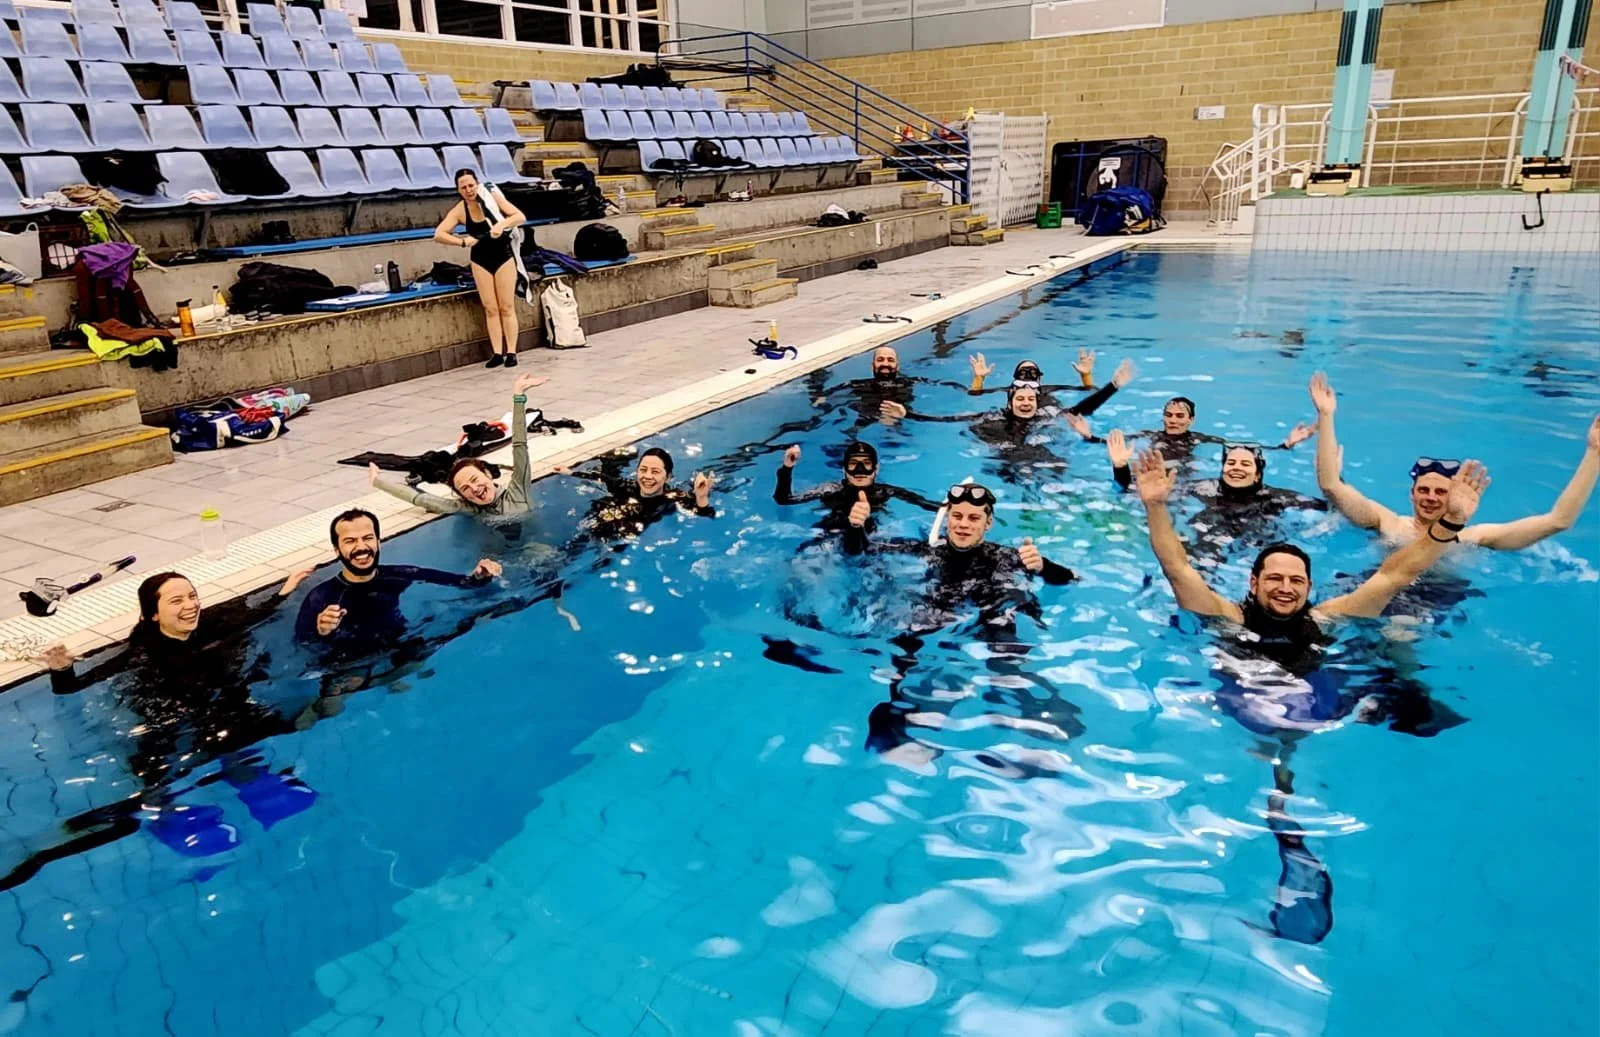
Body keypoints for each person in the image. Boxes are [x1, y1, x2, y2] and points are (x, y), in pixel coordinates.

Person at [1135, 447, 1489, 946]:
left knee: (1402, 699)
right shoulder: (1227, 616)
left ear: (1309, 586)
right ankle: (1281, 801)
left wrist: (1448, 526)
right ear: (1253, 583)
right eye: (1274, 579)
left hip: (1309, 704)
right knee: (1284, 742)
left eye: (1295, 580)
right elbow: (1176, 566)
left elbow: (1395, 573)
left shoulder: (1324, 619)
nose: (1285, 588)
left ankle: (1285, 807)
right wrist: (1155, 506)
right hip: (1249, 700)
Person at [8, 570, 318, 889]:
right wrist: (62, 670)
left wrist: (286, 590)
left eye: (192, 596)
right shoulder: (140, 656)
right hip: (169, 733)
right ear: (153, 615)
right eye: (177, 600)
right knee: (155, 783)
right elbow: (76, 687)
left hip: (223, 717)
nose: (190, 605)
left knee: (255, 733)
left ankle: (249, 779)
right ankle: (161, 814)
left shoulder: (212, 627)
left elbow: (255, 616)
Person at [1311, 371, 1599, 550]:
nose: (1431, 497)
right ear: (1411, 495)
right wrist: (1326, 416)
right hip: (1381, 589)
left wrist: (1594, 453)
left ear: (1456, 497)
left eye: (1440, 491)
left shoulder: (1475, 539)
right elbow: (1331, 485)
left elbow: (1558, 521)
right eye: (1424, 490)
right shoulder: (1389, 524)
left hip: (1437, 601)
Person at [295, 509, 503, 649]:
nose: (361, 547)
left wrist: (479, 576)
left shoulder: (399, 575)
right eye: (350, 541)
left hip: (403, 648)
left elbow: (461, 583)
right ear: (337, 549)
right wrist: (322, 632)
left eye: (367, 538)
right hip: (348, 664)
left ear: (378, 542)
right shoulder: (322, 597)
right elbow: (303, 646)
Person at [1105, 431, 1326, 555]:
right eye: (1231, 462)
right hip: (1209, 542)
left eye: (1245, 464)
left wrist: (1331, 481)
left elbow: (1330, 509)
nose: (1236, 467)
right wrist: (1120, 467)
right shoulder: (1204, 488)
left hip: (1255, 543)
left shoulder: (1278, 498)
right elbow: (1134, 491)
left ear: (1258, 475)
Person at [370, 373, 548, 519]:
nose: (474, 489)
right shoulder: (469, 509)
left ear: (487, 474)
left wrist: (518, 396)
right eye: (465, 489)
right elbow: (422, 499)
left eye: (474, 480)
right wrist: (377, 482)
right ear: (463, 497)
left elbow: (519, 446)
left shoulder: (518, 490)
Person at [434, 169, 528, 369]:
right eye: (463, 187)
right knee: (491, 308)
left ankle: (511, 351)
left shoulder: (491, 197)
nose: (468, 190)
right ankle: (496, 352)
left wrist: (501, 224)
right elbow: (439, 234)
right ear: (458, 190)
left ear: (477, 184)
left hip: (503, 256)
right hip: (480, 259)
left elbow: (519, 216)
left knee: (506, 306)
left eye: (471, 185)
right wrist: (462, 242)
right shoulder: (460, 209)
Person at [1072, 395, 1315, 462]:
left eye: (1179, 416)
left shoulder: (1201, 439)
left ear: (1191, 420)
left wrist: (1285, 445)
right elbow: (1114, 443)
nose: (1173, 420)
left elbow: (1244, 449)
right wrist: (1089, 437)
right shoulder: (1150, 435)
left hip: (1182, 479)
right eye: (1168, 415)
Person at [554, 446, 716, 541]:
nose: (647, 476)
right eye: (643, 470)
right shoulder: (627, 487)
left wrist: (701, 497)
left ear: (668, 477)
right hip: (595, 525)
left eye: (655, 471)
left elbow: (705, 518)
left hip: (621, 540)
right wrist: (570, 473)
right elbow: (600, 478)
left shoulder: (673, 497)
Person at [774, 441, 939, 533]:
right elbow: (785, 500)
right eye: (853, 464)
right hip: (832, 533)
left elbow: (926, 504)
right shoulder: (829, 489)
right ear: (844, 469)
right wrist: (787, 468)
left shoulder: (886, 491)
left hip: (870, 536)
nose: (860, 471)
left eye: (866, 464)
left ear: (876, 469)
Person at [811, 345, 969, 428]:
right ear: (873, 365)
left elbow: (951, 386)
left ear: (897, 366)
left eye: (890, 360)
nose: (885, 363)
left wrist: (977, 381)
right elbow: (822, 399)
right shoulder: (857, 384)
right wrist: (819, 398)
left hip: (903, 419)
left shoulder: (910, 382)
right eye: (880, 360)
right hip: (867, 419)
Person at [964, 349, 1099, 405]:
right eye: (1023, 373)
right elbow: (975, 394)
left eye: (1033, 373)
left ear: (1039, 379)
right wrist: (979, 378)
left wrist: (1086, 375)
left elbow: (1089, 390)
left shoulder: (1048, 390)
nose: (1028, 377)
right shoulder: (1010, 391)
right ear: (1015, 379)